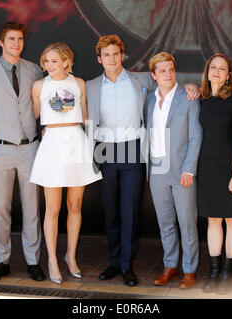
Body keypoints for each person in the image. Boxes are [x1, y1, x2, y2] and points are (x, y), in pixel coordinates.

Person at [86, 35, 200, 287]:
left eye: (116, 54)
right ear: (99, 58)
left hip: (133, 151)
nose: (112, 59)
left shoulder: (141, 80)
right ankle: (113, 262)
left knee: (129, 211)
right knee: (111, 211)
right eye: (107, 55)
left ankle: (127, 265)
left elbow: (169, 83)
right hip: (103, 150)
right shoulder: (91, 86)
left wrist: (193, 86)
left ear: (123, 55)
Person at [0, 22, 44, 283]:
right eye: (11, 39)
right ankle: (1, 262)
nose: (16, 43)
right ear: (1, 42)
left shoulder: (34, 70)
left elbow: (43, 107)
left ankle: (33, 261)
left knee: (32, 209)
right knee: (0, 209)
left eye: (20, 39)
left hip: (30, 149)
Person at [29, 42, 102, 284]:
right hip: (52, 145)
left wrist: (92, 149)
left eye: (54, 61)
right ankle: (51, 259)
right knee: (52, 209)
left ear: (66, 62)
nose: (49, 66)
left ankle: (70, 256)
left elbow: (86, 118)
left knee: (75, 206)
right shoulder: (39, 86)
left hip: (76, 143)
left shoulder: (79, 83)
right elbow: (37, 116)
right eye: (46, 61)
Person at [144, 52, 202, 289]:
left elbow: (196, 135)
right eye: (162, 71)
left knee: (187, 222)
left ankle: (189, 270)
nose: (168, 74)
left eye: (171, 69)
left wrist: (189, 169)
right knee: (165, 222)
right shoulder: (149, 98)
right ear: (153, 75)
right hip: (156, 169)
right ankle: (171, 266)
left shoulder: (188, 96)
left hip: (181, 171)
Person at [197, 53, 232, 294]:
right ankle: (214, 272)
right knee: (213, 220)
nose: (217, 71)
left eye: (223, 68)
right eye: (213, 67)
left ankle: (228, 274)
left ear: (229, 75)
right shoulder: (201, 99)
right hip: (207, 168)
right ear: (208, 72)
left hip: (230, 168)